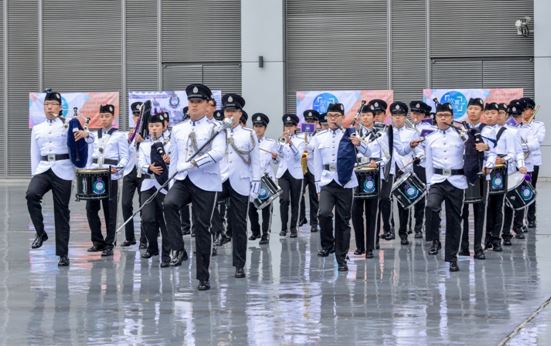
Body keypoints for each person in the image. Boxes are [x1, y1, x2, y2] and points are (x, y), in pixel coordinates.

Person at [163, 83, 226, 291]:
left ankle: (203, 276)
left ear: (208, 104)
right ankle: (178, 249)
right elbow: (175, 158)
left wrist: (192, 164)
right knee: (169, 204)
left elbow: (218, 153)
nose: (195, 106)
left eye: (199, 102)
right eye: (192, 102)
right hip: (183, 180)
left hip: (206, 182)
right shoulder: (178, 128)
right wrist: (172, 182)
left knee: (202, 228)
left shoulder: (216, 128)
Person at [26, 90, 83, 266]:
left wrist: (75, 175)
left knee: (61, 212)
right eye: (46, 104)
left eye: (53, 104)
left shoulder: (68, 124)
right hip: (44, 168)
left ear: (60, 107)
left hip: (63, 170)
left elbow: (82, 145)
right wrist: (35, 174)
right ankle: (41, 232)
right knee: (31, 195)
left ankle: (63, 254)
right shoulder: (37, 128)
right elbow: (34, 153)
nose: (49, 107)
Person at [313, 103, 370, 270]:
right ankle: (328, 244)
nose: (333, 118)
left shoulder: (351, 134)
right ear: (326, 117)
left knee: (343, 221)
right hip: (326, 181)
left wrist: (359, 143)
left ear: (342, 117)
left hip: (345, 182)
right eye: (330, 115)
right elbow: (316, 163)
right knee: (323, 213)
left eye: (336, 115)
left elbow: (368, 152)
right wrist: (317, 187)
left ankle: (341, 257)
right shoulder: (320, 137)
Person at [216, 93, 260, 278]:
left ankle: (239, 264)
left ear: (240, 113)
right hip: (219, 180)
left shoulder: (249, 134)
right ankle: (219, 233)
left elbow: (255, 161)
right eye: (227, 111)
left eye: (234, 111)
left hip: (240, 181)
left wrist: (255, 183)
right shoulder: (216, 130)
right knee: (207, 211)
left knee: (240, 223)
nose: (230, 114)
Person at [424, 103, 467, 272]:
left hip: (456, 180)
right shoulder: (430, 138)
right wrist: (429, 183)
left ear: (452, 117)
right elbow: (427, 162)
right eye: (440, 115)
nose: (443, 118)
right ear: (435, 117)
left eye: (446, 115)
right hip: (437, 179)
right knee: (431, 206)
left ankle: (452, 257)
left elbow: (471, 154)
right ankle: (433, 239)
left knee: (454, 220)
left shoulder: (460, 136)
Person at [85, 104, 129, 257]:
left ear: (113, 118)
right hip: (95, 174)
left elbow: (124, 156)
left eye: (107, 116)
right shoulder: (93, 135)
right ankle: (97, 241)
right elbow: (90, 156)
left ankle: (110, 243)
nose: (104, 119)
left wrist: (119, 168)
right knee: (91, 209)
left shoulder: (119, 135)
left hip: (110, 175)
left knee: (109, 211)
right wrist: (87, 171)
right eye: (102, 116)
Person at [485, 103, 527, 251]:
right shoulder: (485, 130)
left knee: (501, 206)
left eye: (502, 113)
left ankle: (500, 236)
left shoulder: (512, 132)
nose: (498, 115)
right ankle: (488, 237)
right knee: (488, 206)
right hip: (488, 172)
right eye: (495, 113)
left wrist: (520, 165)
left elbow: (519, 151)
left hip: (504, 171)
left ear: (505, 115)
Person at [459, 98, 495, 260]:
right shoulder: (459, 129)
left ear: (482, 112)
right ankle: (463, 246)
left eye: (476, 109)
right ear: (467, 111)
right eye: (470, 108)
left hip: (481, 174)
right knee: (462, 212)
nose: (473, 111)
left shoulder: (488, 130)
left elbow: (497, 151)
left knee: (480, 211)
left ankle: (478, 247)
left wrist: (487, 150)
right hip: (462, 175)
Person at [137, 113, 172, 267]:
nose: (154, 129)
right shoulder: (144, 145)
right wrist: (148, 167)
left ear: (163, 127)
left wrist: (169, 162)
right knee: (147, 218)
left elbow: (176, 163)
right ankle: (152, 246)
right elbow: (140, 163)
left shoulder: (170, 144)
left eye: (157, 126)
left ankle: (166, 255)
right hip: (148, 185)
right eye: (151, 126)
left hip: (165, 187)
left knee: (165, 222)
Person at [351, 103, 381, 258]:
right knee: (355, 212)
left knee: (371, 212)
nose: (365, 118)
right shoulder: (354, 133)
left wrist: (378, 162)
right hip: (356, 174)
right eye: (363, 115)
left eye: (368, 115)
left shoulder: (381, 133)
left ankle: (370, 247)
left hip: (372, 174)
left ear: (374, 117)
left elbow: (387, 155)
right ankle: (359, 246)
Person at [248, 113, 279, 245]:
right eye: (256, 126)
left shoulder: (271, 143)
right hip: (251, 178)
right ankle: (255, 231)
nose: (258, 129)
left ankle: (265, 234)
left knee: (266, 208)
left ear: (265, 128)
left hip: (266, 178)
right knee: (251, 207)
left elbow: (277, 161)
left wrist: (274, 157)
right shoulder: (248, 141)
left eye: (261, 126)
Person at [408, 101, 435, 239]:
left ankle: (421, 226)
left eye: (418, 113)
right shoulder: (414, 128)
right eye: (413, 113)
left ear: (424, 114)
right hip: (416, 166)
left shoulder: (428, 128)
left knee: (424, 198)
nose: (415, 115)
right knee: (416, 197)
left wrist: (420, 154)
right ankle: (416, 227)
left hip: (426, 166)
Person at [121, 102, 147, 248]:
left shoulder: (149, 134)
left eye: (140, 115)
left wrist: (143, 141)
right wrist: (128, 140)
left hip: (143, 172)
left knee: (144, 205)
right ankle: (129, 237)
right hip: (130, 171)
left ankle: (144, 238)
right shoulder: (128, 134)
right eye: (136, 115)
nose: (138, 118)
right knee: (125, 203)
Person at [276, 114, 305, 238]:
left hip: (296, 173)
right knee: (284, 199)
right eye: (286, 125)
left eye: (290, 126)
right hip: (283, 173)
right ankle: (283, 228)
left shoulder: (301, 140)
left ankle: (293, 228)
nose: (288, 128)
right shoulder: (280, 140)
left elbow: (299, 157)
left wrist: (291, 143)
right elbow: (277, 159)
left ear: (295, 126)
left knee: (295, 201)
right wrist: (281, 146)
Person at [520, 97, 544, 229]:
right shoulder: (516, 124)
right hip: (519, 163)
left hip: (533, 163)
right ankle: (519, 220)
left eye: (527, 109)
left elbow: (538, 140)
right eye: (522, 110)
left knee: (530, 189)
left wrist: (522, 146)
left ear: (532, 110)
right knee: (519, 189)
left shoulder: (538, 125)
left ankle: (531, 218)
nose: (524, 112)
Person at [298, 110, 320, 232]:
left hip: (313, 167)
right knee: (299, 192)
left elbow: (313, 149)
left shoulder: (319, 136)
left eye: (312, 121)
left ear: (317, 123)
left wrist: (307, 143)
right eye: (308, 121)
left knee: (313, 195)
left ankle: (314, 222)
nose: (310, 123)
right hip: (302, 166)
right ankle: (301, 217)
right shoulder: (300, 135)